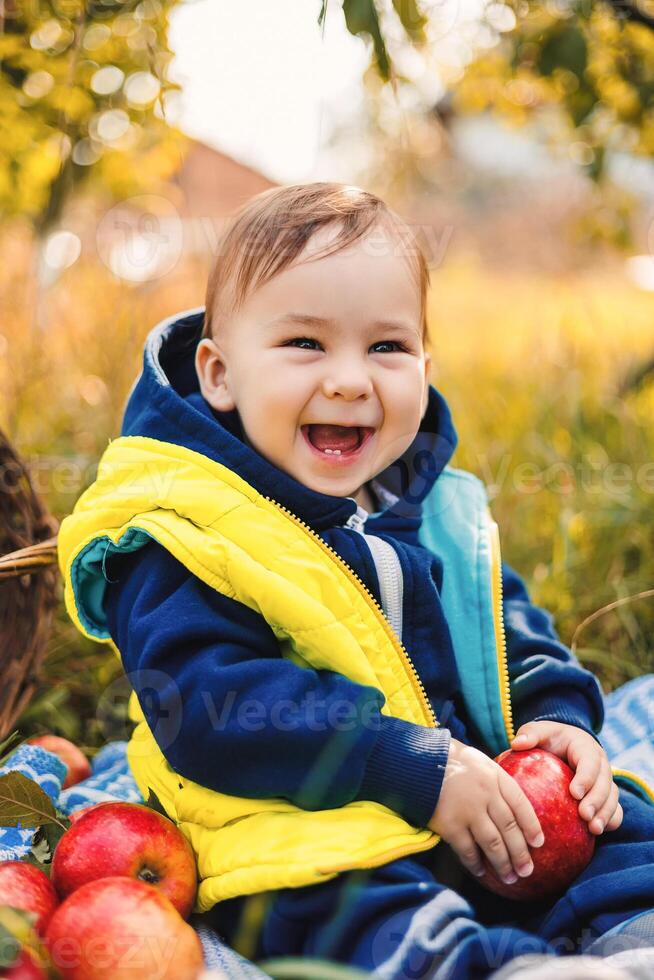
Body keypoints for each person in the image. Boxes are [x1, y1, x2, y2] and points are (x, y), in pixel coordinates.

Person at [57, 183, 654, 979]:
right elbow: (206, 704)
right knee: (342, 910)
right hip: (303, 823)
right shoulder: (182, 529)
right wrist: (408, 763)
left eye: (386, 348)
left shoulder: (427, 504)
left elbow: (505, 626)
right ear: (220, 374)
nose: (349, 380)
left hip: (480, 797)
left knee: (619, 827)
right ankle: (500, 968)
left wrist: (560, 720)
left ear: (425, 364)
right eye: (305, 343)